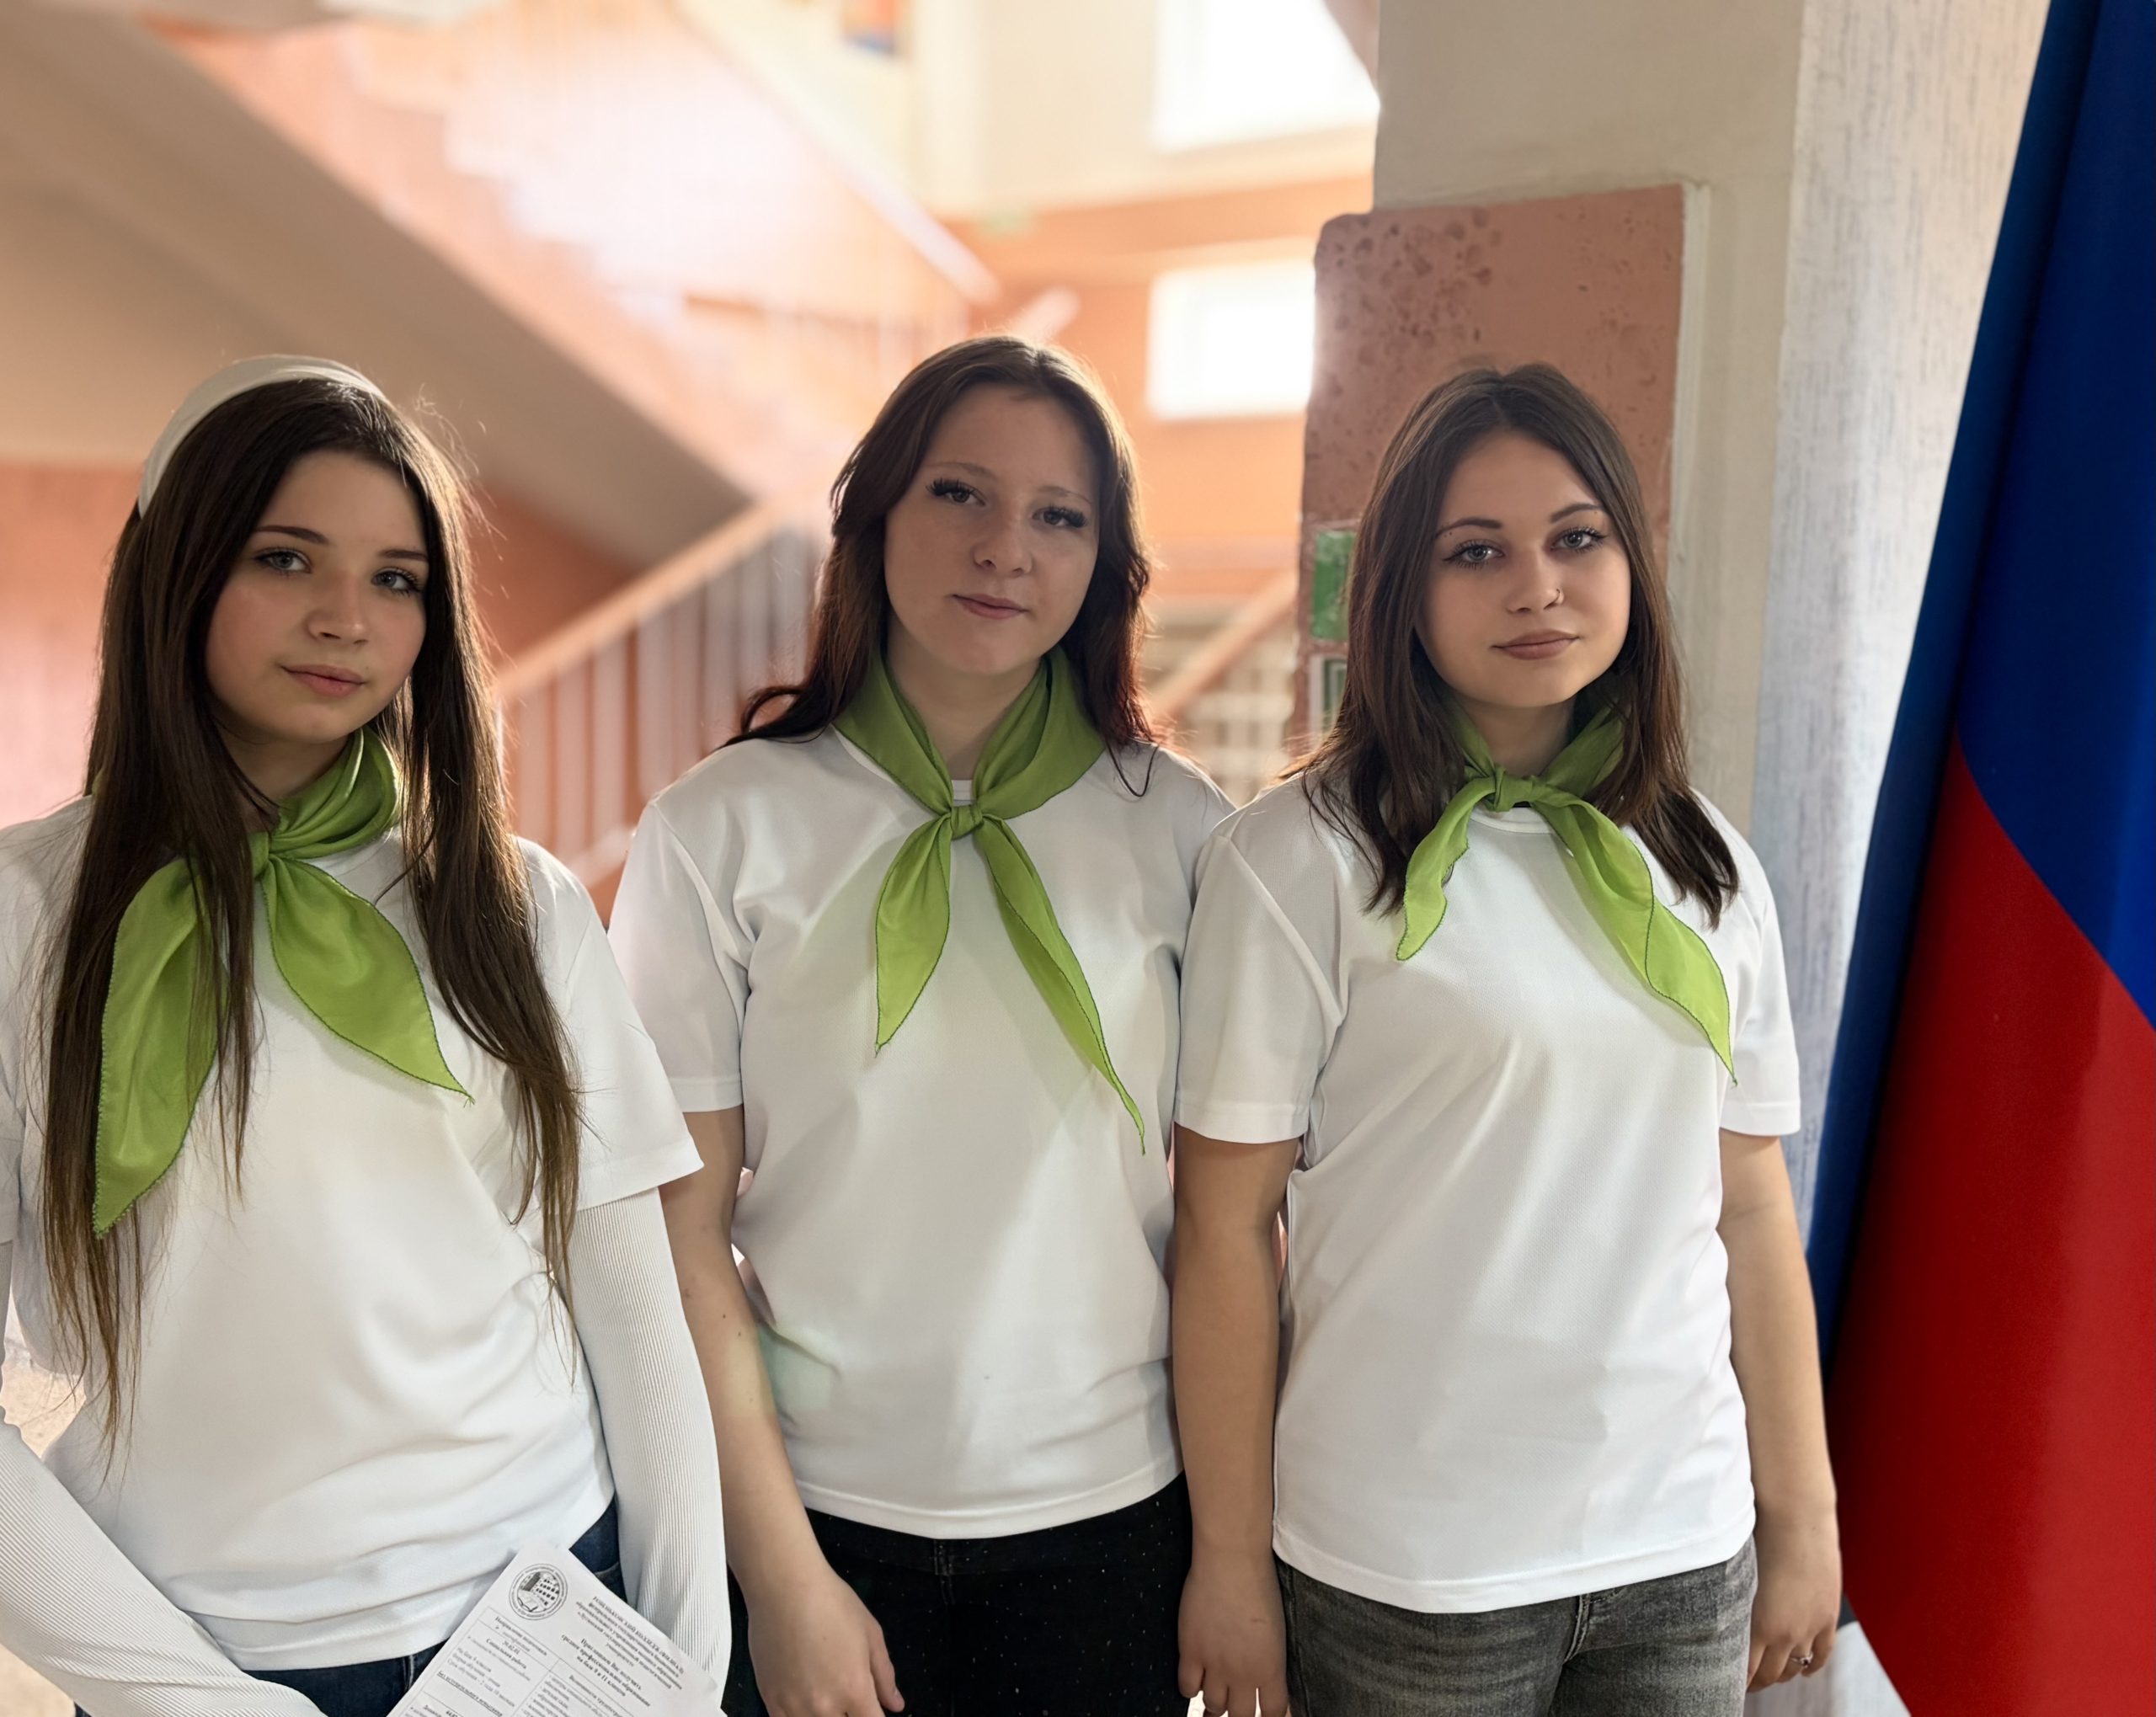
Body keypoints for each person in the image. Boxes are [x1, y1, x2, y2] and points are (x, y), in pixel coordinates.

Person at [0, 357, 728, 1717]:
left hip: (553, 1618)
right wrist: (206, 1706)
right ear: (173, 571)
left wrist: (686, 1654)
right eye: (286, 559)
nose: (347, 618)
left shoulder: (517, 902)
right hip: (205, 1656)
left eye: (398, 579)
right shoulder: (21, 921)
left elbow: (629, 1293)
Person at [1171, 365, 1841, 1716]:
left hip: (1678, 1547)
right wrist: (1229, 1563)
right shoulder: (1296, 861)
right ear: (1401, 597)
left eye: (1575, 538)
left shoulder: (1707, 862)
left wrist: (1802, 1515)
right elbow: (1224, 1230)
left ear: (1630, 564)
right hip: (1407, 1566)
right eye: (1475, 553)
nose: (1538, 587)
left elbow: (1752, 1206)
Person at [610, 335, 1231, 1717]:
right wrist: (782, 1579)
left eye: (1060, 516)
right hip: (815, 1516)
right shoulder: (717, 829)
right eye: (960, 493)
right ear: (874, 513)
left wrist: (1237, 1552)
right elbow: (675, 1235)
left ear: (1105, 563)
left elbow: (1233, 1222)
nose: (1006, 547)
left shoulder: (1188, 835)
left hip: (1117, 1521)